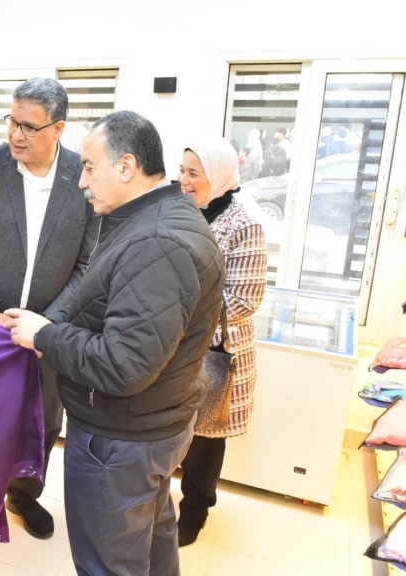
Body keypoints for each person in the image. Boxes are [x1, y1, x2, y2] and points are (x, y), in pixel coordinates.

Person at [4, 111, 224, 576]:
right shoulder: (157, 217)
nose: (82, 181)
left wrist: (45, 335)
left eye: (89, 167)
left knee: (108, 563)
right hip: (152, 426)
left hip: (121, 439)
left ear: (126, 167)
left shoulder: (156, 241)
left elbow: (124, 365)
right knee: (153, 540)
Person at [0, 77, 99, 572]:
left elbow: (89, 262)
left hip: (49, 332)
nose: (15, 134)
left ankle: (23, 496)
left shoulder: (82, 175)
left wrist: (49, 322)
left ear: (58, 129)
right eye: (12, 121)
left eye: (29, 127)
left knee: (43, 423)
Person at [176, 138, 268, 547]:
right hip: (175, 344)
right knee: (174, 428)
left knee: (206, 440)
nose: (184, 180)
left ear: (219, 175)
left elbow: (244, 300)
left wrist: (182, 313)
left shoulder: (244, 223)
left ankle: (195, 512)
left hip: (215, 349)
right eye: (182, 170)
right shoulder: (183, 211)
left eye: (194, 173)